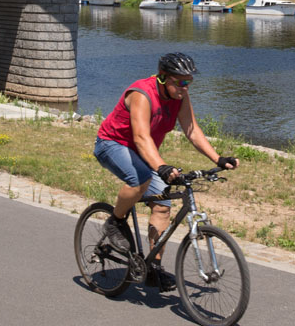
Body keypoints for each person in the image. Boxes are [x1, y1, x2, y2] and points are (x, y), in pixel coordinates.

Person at [93, 52, 238, 291]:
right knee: (141, 178)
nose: (185, 86)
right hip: (112, 144)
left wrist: (218, 158)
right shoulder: (141, 94)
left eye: (189, 81)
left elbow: (191, 129)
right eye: (180, 81)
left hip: (142, 152)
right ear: (163, 77)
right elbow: (140, 137)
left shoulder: (180, 96)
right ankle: (115, 221)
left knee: (162, 205)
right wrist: (160, 166)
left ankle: (154, 269)